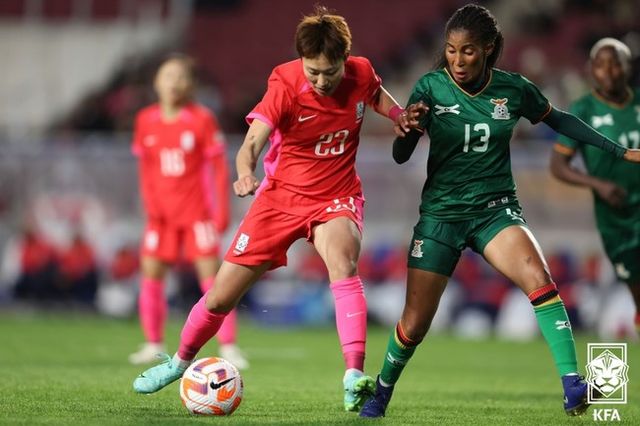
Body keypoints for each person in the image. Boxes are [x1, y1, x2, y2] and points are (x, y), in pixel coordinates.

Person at [132, 6, 424, 413]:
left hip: (335, 196)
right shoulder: (285, 84)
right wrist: (244, 173)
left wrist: (396, 114)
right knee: (218, 299)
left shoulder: (361, 72)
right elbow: (252, 142)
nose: (320, 80)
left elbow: (374, 94)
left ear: (345, 60)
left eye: (329, 72)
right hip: (279, 199)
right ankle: (179, 363)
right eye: (313, 71)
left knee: (343, 263)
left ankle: (353, 375)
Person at [358, 4, 640, 419]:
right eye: (451, 50)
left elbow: (561, 121)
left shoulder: (514, 89)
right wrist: (407, 129)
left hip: (495, 210)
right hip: (441, 216)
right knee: (415, 323)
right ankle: (382, 390)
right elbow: (401, 155)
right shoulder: (430, 88)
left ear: (488, 49)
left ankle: (573, 385)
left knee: (540, 280)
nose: (457, 60)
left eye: (468, 51)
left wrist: (617, 150)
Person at [129, 54, 248, 369]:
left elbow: (219, 169)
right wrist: (149, 205)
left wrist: (221, 211)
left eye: (180, 77)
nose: (174, 83)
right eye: (167, 76)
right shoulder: (145, 120)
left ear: (191, 85)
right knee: (151, 276)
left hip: (197, 214)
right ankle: (153, 344)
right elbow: (145, 169)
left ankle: (229, 346)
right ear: (156, 82)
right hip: (161, 216)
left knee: (215, 281)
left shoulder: (201, 119)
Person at [550, 37, 640, 337]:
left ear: (628, 68)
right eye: (601, 65)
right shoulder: (583, 110)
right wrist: (597, 185)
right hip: (616, 218)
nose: (608, 72)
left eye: (615, 64)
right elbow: (558, 165)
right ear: (591, 69)